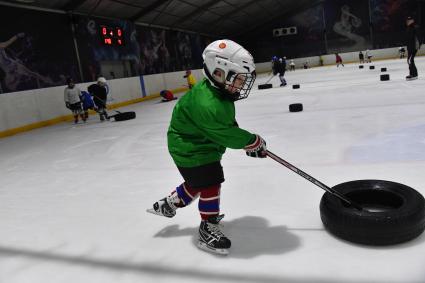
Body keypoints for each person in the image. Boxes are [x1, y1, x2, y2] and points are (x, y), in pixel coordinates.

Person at [147, 39, 265, 255]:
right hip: (190, 148)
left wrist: (244, 140)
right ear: (219, 72)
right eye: (238, 79)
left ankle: (169, 203)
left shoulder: (218, 92)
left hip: (201, 143)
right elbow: (227, 134)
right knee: (210, 182)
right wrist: (251, 141)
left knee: (198, 182)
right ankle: (207, 228)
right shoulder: (207, 103)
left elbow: (224, 126)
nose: (241, 85)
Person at [405, 16, 421, 80]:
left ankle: (414, 74)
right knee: (409, 60)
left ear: (412, 21)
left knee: (410, 60)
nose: (407, 22)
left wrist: (418, 45)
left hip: (413, 47)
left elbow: (419, 37)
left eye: (408, 21)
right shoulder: (409, 28)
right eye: (407, 21)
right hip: (410, 47)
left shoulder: (414, 27)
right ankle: (412, 73)